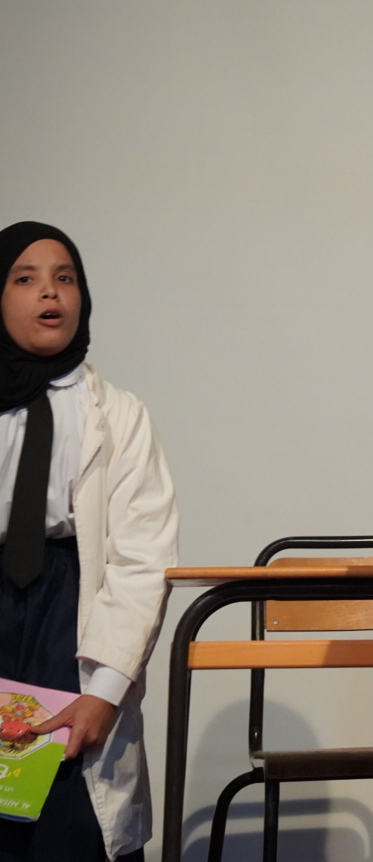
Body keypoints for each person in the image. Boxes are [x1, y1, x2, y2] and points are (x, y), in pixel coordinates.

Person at [0, 222, 179, 862]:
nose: (50, 292)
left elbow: (143, 560)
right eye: (25, 278)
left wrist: (104, 692)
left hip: (73, 620)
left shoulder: (119, 414)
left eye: (65, 278)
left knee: (70, 821)